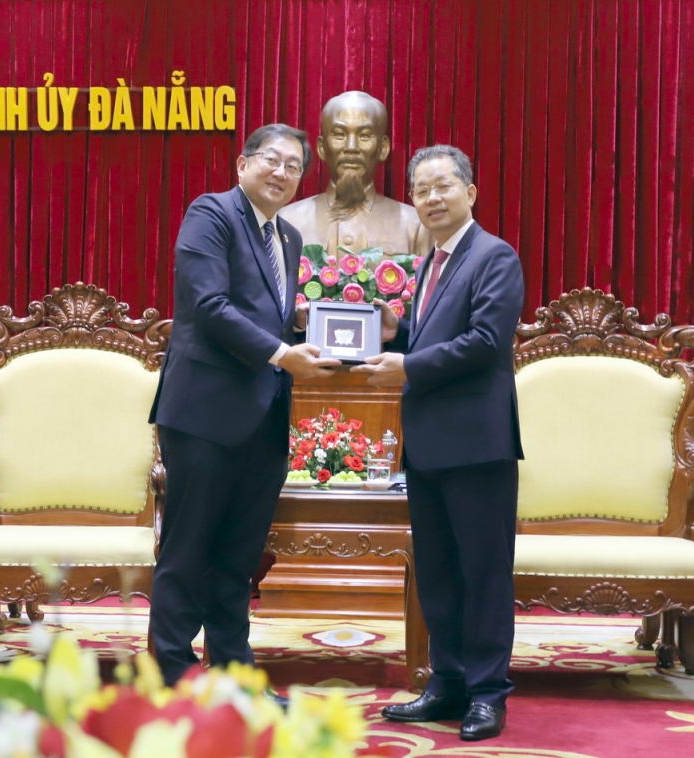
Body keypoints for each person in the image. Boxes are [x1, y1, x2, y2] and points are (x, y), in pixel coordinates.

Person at [148, 124, 341, 700]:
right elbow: (210, 305)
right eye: (271, 160)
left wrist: (305, 326)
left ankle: (234, 676)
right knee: (187, 550)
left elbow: (265, 314)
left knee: (238, 557)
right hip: (204, 416)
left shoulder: (287, 237)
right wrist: (283, 353)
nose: (281, 172)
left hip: (264, 416)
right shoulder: (211, 214)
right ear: (242, 164)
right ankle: (172, 676)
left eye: (293, 166)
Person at [352, 145, 524, 741]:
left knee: (483, 574)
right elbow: (433, 342)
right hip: (427, 445)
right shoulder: (431, 262)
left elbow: (485, 341)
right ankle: (447, 682)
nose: (431, 198)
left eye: (443, 186)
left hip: (477, 445)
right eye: (421, 189)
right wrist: (395, 340)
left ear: (469, 192)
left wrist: (409, 366)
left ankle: (487, 693)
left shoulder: (494, 256)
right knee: (439, 575)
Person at [279, 91, 429, 265]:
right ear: (322, 147)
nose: (351, 147)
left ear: (383, 148)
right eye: (339, 135)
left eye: (364, 136)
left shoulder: (415, 226)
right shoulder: (286, 221)